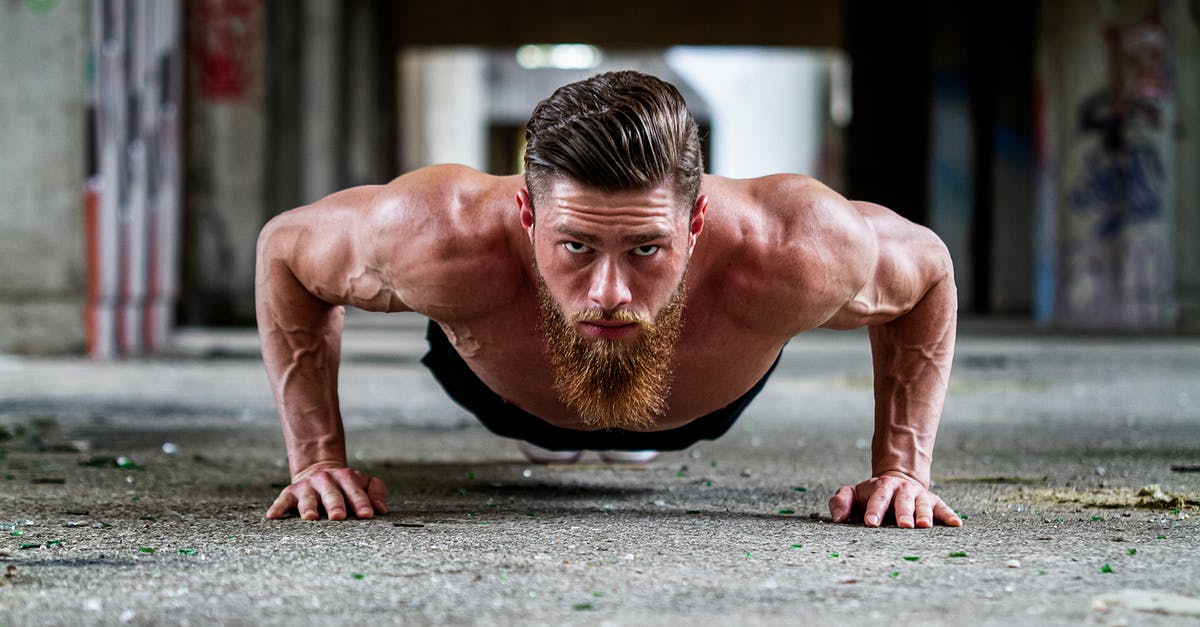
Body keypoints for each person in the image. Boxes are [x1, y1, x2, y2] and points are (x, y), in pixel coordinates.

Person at [255, 71, 961, 529]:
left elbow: (927, 272)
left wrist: (902, 468)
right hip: (505, 394)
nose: (610, 293)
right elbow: (286, 250)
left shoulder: (796, 245)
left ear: (696, 221)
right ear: (528, 217)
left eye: (645, 249)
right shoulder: (438, 233)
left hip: (690, 409)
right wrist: (318, 457)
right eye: (577, 247)